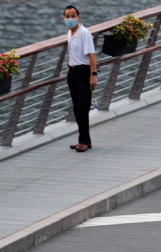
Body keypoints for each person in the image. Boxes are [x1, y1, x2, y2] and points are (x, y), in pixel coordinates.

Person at [63, 5, 97, 153]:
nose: (70, 19)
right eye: (67, 16)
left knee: (82, 108)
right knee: (76, 108)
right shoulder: (70, 33)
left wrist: (93, 75)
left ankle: (83, 141)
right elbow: (72, 51)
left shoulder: (84, 33)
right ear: (64, 18)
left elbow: (91, 55)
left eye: (73, 16)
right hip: (73, 73)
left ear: (79, 17)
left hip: (84, 72)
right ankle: (84, 140)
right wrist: (69, 66)